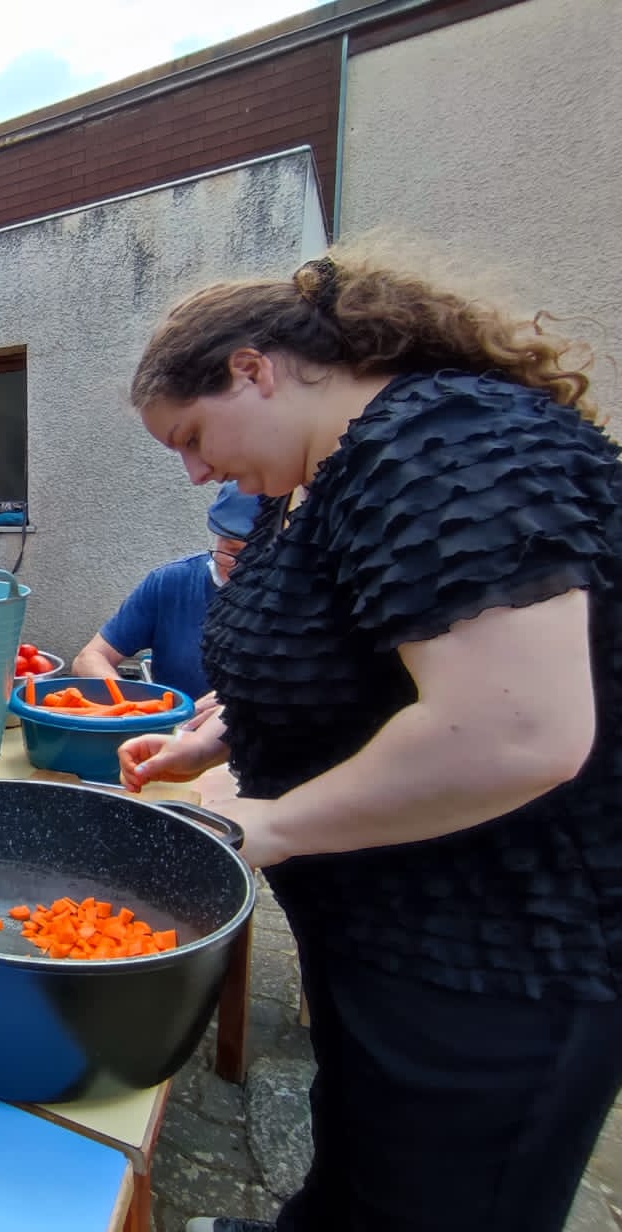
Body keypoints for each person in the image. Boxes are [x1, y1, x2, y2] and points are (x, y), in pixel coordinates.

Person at [116, 248, 622, 1232]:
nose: (193, 470)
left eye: (189, 434)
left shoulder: (444, 442)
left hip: (497, 962)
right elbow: (339, 654)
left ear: (252, 369)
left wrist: (267, 822)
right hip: (379, 931)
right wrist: (215, 734)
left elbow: (516, 729)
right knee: (355, 1159)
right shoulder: (311, 481)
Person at [70, 481, 257, 699]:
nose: (242, 568)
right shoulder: (171, 583)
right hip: (175, 728)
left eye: (258, 555)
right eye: (231, 550)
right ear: (215, 538)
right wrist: (132, 707)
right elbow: (89, 658)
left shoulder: (298, 599)